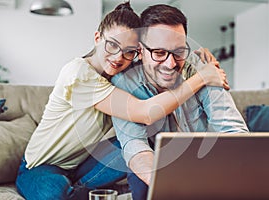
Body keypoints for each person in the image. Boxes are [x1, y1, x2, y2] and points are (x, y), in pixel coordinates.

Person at [16, 2, 228, 200]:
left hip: (81, 165)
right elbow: (146, 113)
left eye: (129, 52)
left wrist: (200, 61)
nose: (119, 57)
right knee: (54, 192)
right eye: (112, 45)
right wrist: (202, 78)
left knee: (139, 144)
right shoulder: (78, 72)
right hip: (40, 166)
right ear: (98, 38)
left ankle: (87, 190)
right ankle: (83, 191)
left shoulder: (122, 77)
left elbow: (164, 58)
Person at [111, 4, 249, 200]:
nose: (171, 64)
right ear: (140, 51)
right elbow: (135, 147)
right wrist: (173, 185)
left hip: (209, 164)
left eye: (178, 52)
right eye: (159, 53)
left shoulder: (204, 69)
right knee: (138, 179)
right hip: (158, 167)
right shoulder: (124, 83)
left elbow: (233, 131)